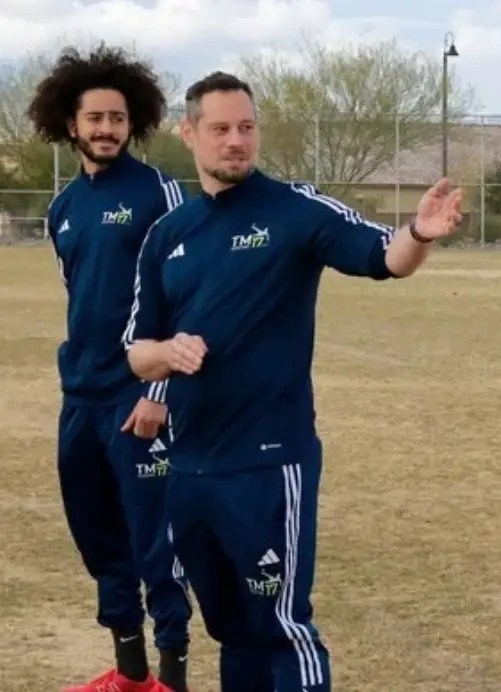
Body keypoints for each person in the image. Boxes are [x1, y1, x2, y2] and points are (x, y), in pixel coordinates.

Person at [122, 71, 462, 691]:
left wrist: (418, 234)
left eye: (246, 128)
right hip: (191, 469)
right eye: (220, 129)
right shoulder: (168, 235)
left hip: (269, 465)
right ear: (189, 133)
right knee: (231, 631)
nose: (235, 142)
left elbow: (383, 258)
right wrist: (168, 351)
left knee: (281, 628)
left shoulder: (293, 210)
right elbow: (137, 353)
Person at [26, 44, 193, 692]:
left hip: (138, 398)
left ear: (134, 123)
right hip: (81, 399)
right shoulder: (62, 209)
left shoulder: (159, 193)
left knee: (156, 544)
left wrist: (157, 390)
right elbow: (82, 297)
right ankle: (130, 674)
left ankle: (173, 679)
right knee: (98, 538)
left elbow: (185, 295)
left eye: (117, 118)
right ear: (70, 124)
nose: (105, 130)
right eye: (93, 118)